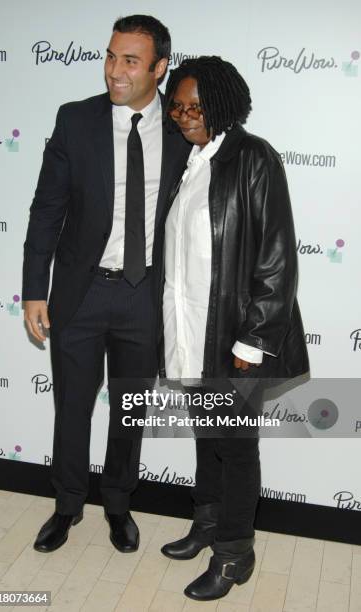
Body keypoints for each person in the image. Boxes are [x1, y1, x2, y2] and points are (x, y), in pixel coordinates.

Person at [22, 15, 190, 555]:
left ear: (159, 68)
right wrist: (33, 288)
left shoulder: (184, 127)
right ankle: (67, 505)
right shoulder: (75, 120)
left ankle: (118, 504)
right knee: (71, 407)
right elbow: (47, 210)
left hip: (146, 296)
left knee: (130, 409)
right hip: (81, 291)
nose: (115, 71)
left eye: (131, 61)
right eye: (112, 56)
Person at [160, 56, 309, 601]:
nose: (183, 115)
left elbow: (276, 258)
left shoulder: (253, 158)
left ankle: (235, 554)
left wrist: (254, 341)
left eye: (195, 106)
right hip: (193, 332)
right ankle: (207, 523)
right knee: (208, 438)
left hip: (235, 336)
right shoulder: (191, 159)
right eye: (177, 105)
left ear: (223, 103)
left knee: (236, 447)